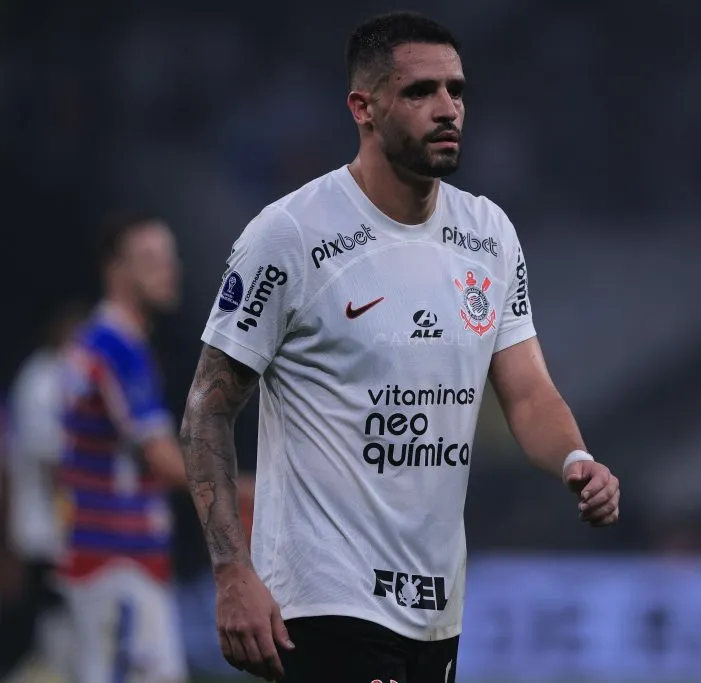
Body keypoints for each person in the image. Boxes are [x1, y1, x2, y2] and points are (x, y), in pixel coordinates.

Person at [180, 11, 621, 683]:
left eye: (457, 90)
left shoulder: (489, 234)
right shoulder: (291, 235)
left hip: (436, 604)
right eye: (421, 92)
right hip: (324, 598)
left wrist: (575, 458)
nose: (447, 109)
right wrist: (233, 570)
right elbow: (207, 408)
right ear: (364, 106)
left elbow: (527, 390)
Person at [56, 212, 194, 683]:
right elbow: (163, 461)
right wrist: (248, 490)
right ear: (117, 269)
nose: (168, 269)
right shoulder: (116, 348)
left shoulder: (106, 343)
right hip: (117, 564)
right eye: (150, 258)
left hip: (123, 562)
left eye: (170, 257)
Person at [2, 303, 86, 683]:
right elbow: (53, 462)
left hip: (54, 525)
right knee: (42, 622)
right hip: (42, 527)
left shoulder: (61, 376)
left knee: (62, 623)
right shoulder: (41, 380)